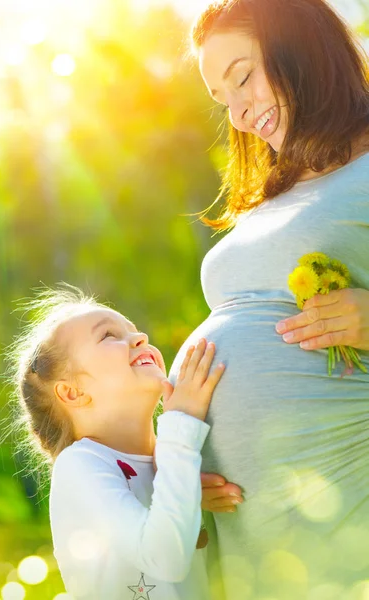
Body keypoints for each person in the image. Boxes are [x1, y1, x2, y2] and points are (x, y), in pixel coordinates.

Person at [167, 0, 369, 597]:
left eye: (243, 76)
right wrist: (190, 466)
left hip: (345, 494)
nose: (240, 111)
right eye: (222, 99)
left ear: (301, 50)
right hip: (250, 529)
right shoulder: (271, 198)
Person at [6, 286, 244, 600]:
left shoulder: (172, 462)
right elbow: (165, 559)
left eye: (134, 330)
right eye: (108, 336)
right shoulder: (79, 465)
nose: (140, 337)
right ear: (73, 393)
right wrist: (182, 422)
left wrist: (191, 498)